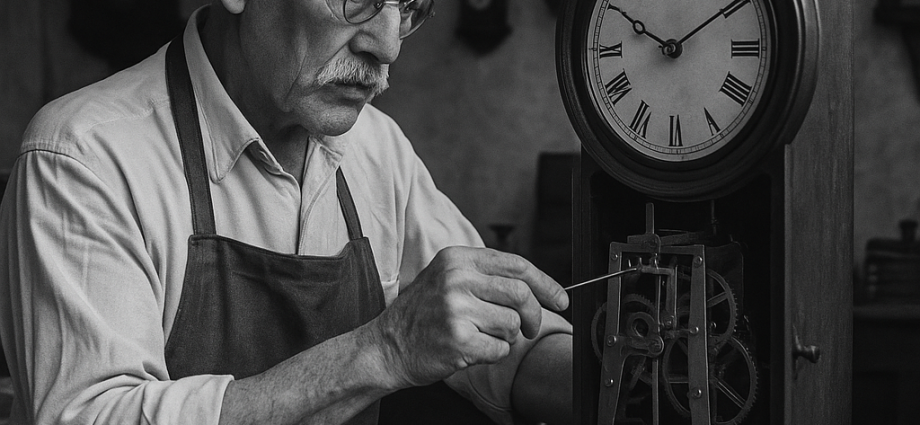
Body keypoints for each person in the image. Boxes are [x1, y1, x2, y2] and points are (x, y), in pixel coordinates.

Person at [0, 0, 573, 424]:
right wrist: (383, 351)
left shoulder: (377, 148)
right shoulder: (84, 156)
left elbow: (509, 348)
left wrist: (628, 382)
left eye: (411, 6)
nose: (388, 43)